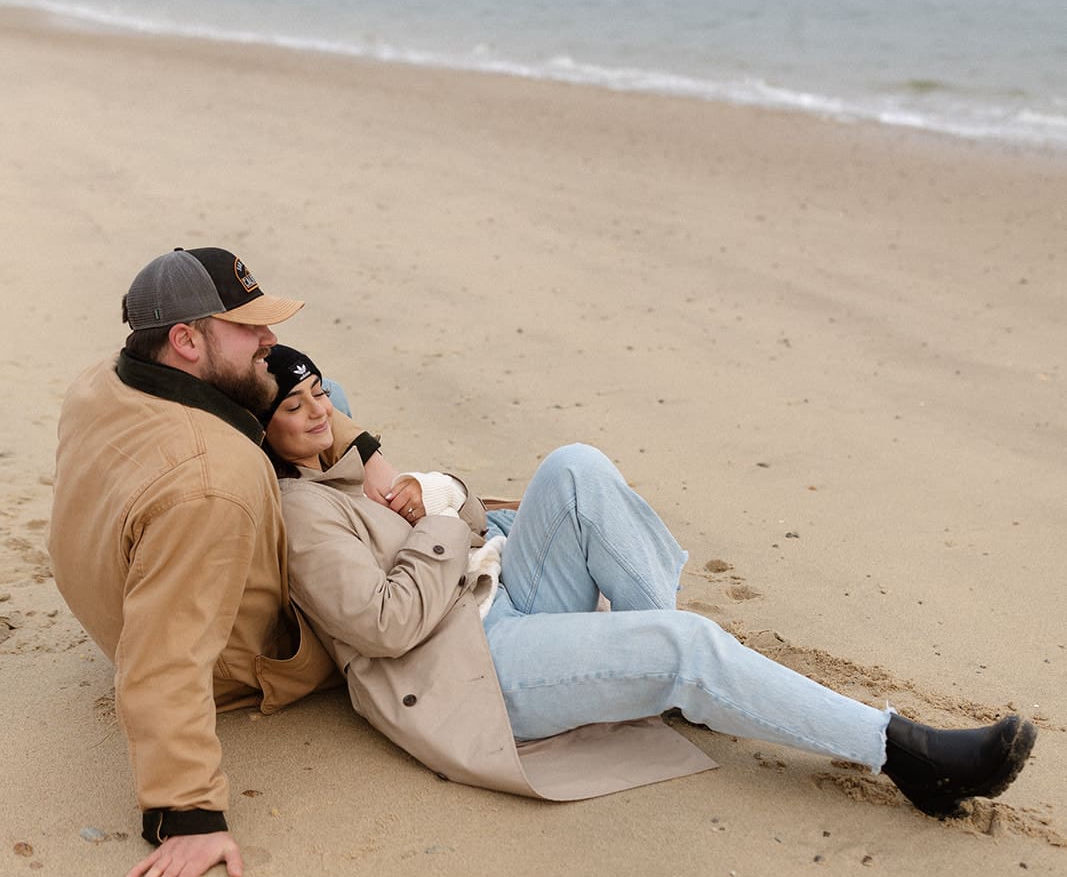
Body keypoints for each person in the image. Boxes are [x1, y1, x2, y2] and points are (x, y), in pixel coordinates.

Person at [261, 345, 1037, 818]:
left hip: (492, 597)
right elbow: (382, 626)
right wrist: (431, 523)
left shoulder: (353, 464)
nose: (317, 412)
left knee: (574, 466)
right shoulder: (304, 514)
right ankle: (906, 756)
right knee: (685, 643)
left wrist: (432, 491)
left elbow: (459, 517)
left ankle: (666, 673)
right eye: (293, 407)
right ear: (265, 432)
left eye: (320, 393)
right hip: (470, 669)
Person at [48, 247, 395, 877]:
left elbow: (274, 376)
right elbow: (167, 656)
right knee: (447, 572)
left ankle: (376, 483)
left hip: (123, 582)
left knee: (309, 391)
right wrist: (187, 817)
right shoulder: (215, 484)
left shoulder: (103, 378)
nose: (269, 338)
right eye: (246, 326)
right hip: (243, 662)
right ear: (184, 340)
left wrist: (364, 452)